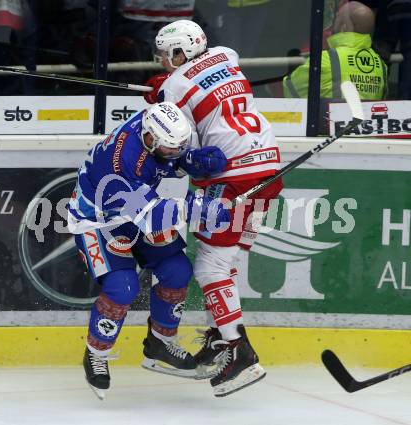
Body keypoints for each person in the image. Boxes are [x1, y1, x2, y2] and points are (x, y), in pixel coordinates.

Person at [145, 20, 283, 397]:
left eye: (167, 53)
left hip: (235, 180)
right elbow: (208, 81)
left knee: (210, 266)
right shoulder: (226, 55)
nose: (162, 59)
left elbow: (182, 147)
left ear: (183, 50)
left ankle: (241, 352)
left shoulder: (174, 86)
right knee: (226, 264)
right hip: (270, 170)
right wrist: (169, 97)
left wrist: (165, 104)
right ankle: (222, 343)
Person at [67, 101, 229, 400]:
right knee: (122, 287)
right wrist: (199, 208)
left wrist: (189, 160)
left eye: (178, 146)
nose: (174, 152)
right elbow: (153, 215)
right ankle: (96, 352)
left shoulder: (155, 127)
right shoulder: (116, 166)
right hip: (99, 221)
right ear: (150, 139)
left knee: (177, 270)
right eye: (170, 149)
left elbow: (165, 163)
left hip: (140, 208)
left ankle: (160, 344)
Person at [283, 1, 388, 100]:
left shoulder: (324, 59)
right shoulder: (381, 65)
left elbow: (290, 86)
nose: (333, 24)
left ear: (344, 27)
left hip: (327, 118)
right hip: (366, 118)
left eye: (337, 19)